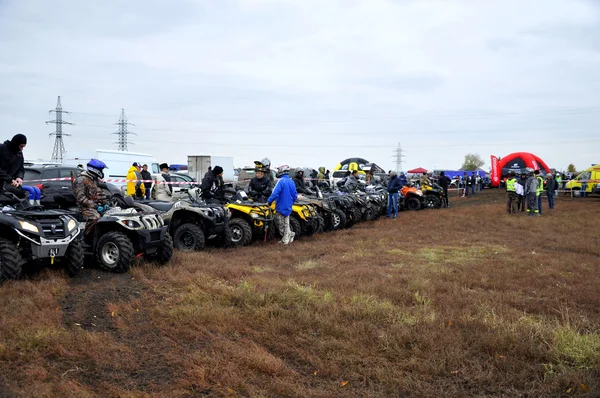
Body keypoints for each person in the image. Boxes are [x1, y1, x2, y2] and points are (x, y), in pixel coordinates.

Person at [73, 159, 108, 235]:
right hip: (84, 207)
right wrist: (95, 206)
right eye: (101, 170)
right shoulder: (80, 180)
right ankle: (86, 237)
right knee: (95, 217)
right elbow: (81, 198)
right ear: (95, 169)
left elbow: (101, 193)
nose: (102, 172)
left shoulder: (95, 180)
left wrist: (105, 203)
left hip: (95, 206)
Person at [268, 165, 298, 245]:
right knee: (286, 223)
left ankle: (285, 239)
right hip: (288, 206)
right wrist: (292, 202)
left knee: (280, 223)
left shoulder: (281, 181)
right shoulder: (291, 181)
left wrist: (269, 201)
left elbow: (275, 193)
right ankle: (290, 235)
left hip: (281, 205)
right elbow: (295, 195)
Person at [0, 134, 27, 198]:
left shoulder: (19, 154)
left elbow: (21, 168)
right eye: (21, 146)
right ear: (16, 144)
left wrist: (19, 177)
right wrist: (9, 179)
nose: (21, 149)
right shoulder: (2, 149)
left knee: (22, 195)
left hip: (8, 185)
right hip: (3, 183)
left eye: (23, 147)